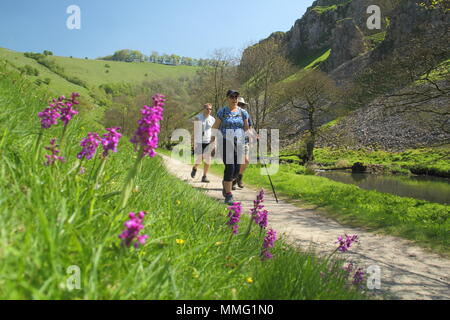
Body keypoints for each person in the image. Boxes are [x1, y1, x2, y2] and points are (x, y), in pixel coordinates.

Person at [210, 90, 250, 205]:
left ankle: (226, 184)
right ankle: (228, 194)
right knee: (230, 167)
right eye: (232, 97)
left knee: (237, 170)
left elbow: (247, 128)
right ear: (227, 98)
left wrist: (253, 136)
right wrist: (212, 143)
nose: (235, 99)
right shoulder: (222, 112)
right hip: (225, 142)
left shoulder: (243, 113)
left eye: (236, 97)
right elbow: (215, 127)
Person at [233, 96, 257, 189]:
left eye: (242, 105)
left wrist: (253, 136)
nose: (241, 106)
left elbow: (250, 127)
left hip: (244, 141)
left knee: (246, 161)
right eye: (239, 104)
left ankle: (239, 177)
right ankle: (232, 180)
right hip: (234, 141)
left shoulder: (246, 115)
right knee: (235, 162)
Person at [191, 103, 215, 183]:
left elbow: (214, 131)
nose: (209, 110)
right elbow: (195, 130)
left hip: (209, 141)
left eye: (210, 109)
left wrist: (215, 142)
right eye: (207, 109)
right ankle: (195, 167)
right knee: (200, 158)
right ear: (204, 109)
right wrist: (194, 142)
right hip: (199, 141)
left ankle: (204, 176)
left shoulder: (213, 119)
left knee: (208, 158)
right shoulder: (198, 118)